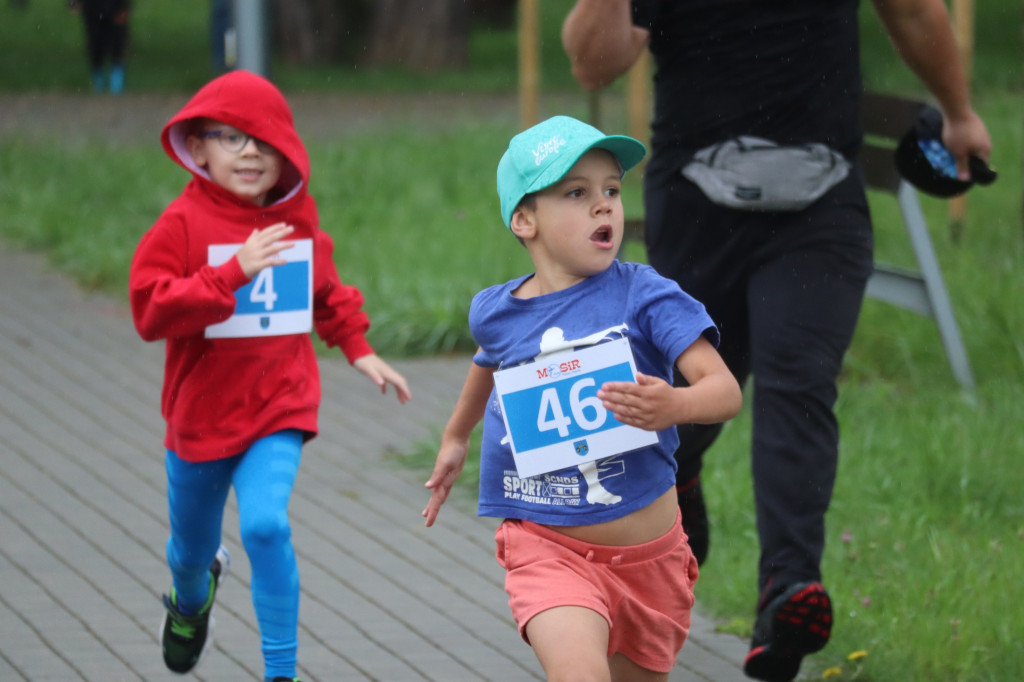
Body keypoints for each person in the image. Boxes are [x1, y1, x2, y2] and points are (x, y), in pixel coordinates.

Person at [562, 1, 992, 680]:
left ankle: (788, 592)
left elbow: (911, 11)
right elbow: (595, 59)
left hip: (821, 205)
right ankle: (685, 474)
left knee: (799, 380)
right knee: (686, 394)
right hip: (699, 209)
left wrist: (959, 112)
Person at [422, 115, 743, 682]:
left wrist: (675, 405)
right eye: (577, 193)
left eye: (612, 191)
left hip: (650, 561)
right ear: (524, 219)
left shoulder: (646, 296)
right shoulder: (497, 310)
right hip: (547, 548)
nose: (604, 207)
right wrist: (455, 437)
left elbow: (724, 391)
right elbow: (487, 364)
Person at [129, 70, 412, 682]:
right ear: (198, 148)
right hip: (200, 418)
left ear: (286, 152)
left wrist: (358, 347)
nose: (250, 152)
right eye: (230, 138)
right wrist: (231, 273)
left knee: (264, 523)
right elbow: (150, 310)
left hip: (278, 406)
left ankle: (279, 671)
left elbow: (325, 291)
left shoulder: (296, 219)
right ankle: (191, 597)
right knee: (189, 554)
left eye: (262, 140)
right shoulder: (181, 224)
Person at [69, 0, 131, 94]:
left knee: (116, 43)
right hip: (93, 10)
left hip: (115, 9)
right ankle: (98, 82)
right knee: (95, 44)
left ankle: (116, 83)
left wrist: (123, 8)